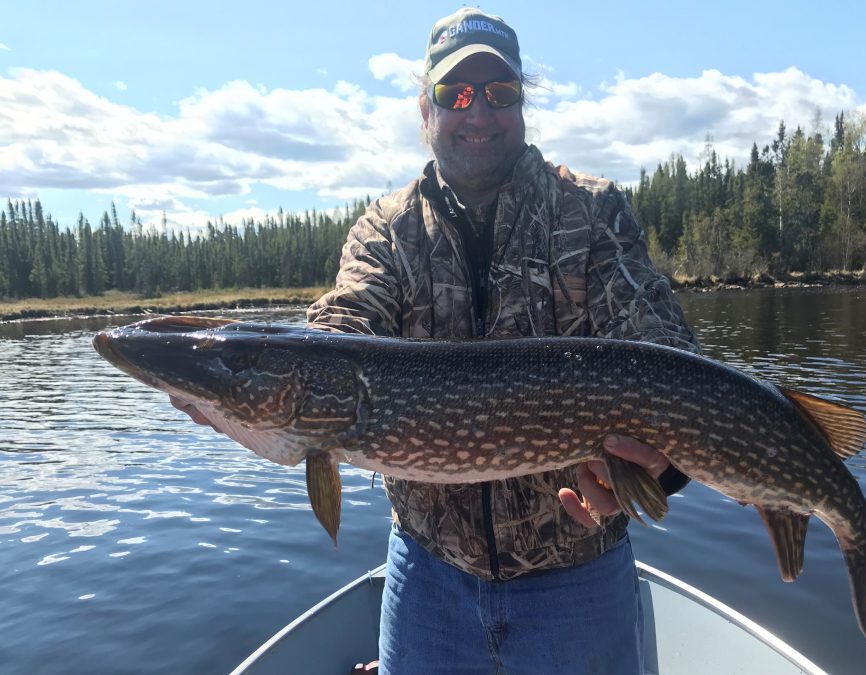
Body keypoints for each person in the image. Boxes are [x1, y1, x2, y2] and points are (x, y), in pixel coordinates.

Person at [174, 8, 700, 674]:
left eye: (499, 92)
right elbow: (343, 330)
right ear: (426, 109)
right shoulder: (386, 230)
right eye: (456, 93)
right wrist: (254, 396)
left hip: (578, 576)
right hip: (428, 576)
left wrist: (662, 468)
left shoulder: (592, 213)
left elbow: (668, 360)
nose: (478, 111)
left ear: (522, 103)